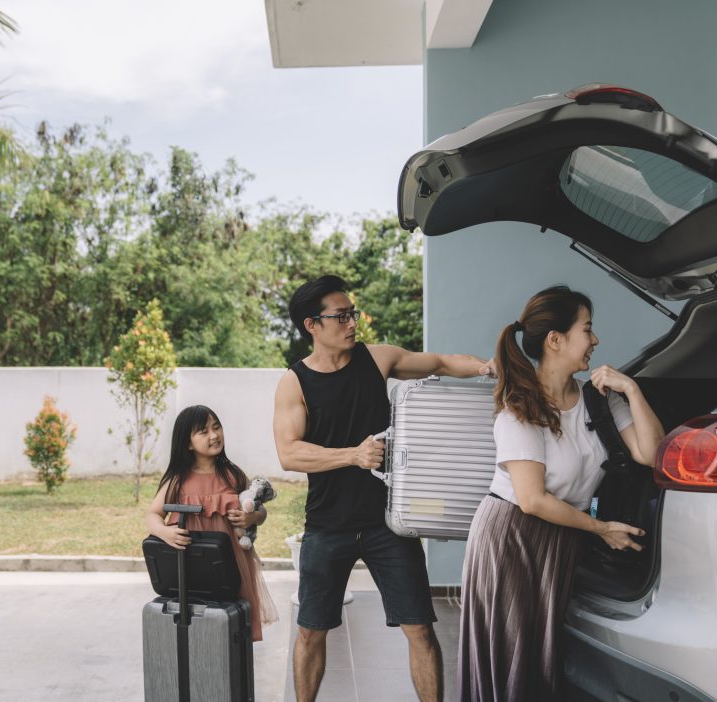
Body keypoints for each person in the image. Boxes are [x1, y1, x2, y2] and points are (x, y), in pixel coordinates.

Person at [273, 275, 493, 702]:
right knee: (311, 633)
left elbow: (442, 363)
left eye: (352, 313)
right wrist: (351, 455)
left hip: (386, 525)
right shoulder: (294, 382)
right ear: (311, 325)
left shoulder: (377, 359)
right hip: (327, 525)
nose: (352, 323)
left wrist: (486, 367)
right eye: (341, 316)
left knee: (420, 629)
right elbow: (290, 453)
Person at [457, 285, 664, 701]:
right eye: (587, 329)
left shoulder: (598, 401)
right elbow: (531, 499)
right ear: (556, 339)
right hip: (512, 537)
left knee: (540, 661)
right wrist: (601, 528)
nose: (595, 340)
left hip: (560, 535)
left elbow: (652, 453)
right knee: (512, 656)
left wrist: (633, 390)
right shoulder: (520, 408)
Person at [146, 404, 278, 641]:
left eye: (217, 428)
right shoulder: (178, 481)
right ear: (188, 443)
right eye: (204, 431)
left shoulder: (233, 475)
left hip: (233, 562)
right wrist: (165, 533)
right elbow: (153, 515)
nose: (214, 435)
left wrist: (251, 517)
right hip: (192, 563)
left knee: (232, 626)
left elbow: (261, 511)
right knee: (198, 626)